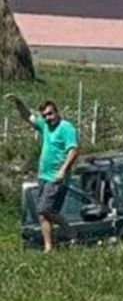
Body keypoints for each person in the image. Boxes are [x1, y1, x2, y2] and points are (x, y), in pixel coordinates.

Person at [7, 96, 79, 253]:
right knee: (43, 216)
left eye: (50, 114)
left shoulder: (66, 128)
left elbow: (73, 150)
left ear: (57, 112)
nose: (48, 118)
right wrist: (19, 103)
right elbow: (28, 116)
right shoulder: (45, 126)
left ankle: (70, 231)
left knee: (44, 209)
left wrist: (63, 170)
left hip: (57, 177)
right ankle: (48, 248)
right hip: (44, 176)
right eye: (45, 115)